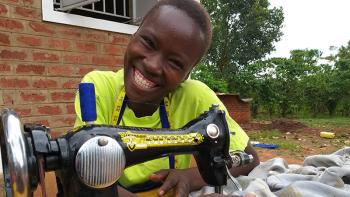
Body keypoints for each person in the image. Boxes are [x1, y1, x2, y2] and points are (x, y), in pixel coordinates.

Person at [73, 0, 260, 196]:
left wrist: (189, 177)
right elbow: (87, 175)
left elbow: (249, 158)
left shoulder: (196, 98)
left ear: (186, 75)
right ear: (133, 36)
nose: (153, 65)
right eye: (148, 42)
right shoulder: (97, 88)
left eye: (175, 63)